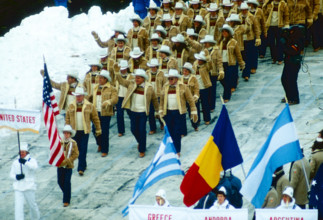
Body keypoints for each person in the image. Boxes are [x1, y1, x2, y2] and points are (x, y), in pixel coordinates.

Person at [115, 69, 159, 158]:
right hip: (133, 111)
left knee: (142, 130)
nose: (136, 79)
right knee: (133, 129)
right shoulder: (131, 84)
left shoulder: (149, 87)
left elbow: (154, 99)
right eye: (136, 77)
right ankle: (140, 142)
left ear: (143, 79)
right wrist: (116, 72)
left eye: (138, 78)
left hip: (143, 112)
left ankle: (142, 149)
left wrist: (157, 111)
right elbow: (121, 81)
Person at [159, 69, 198, 155]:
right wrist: (161, 110)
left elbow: (190, 100)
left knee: (177, 132)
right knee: (169, 132)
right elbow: (162, 100)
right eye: (169, 79)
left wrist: (194, 111)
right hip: (168, 112)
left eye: (171, 79)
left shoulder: (183, 87)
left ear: (176, 79)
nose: (170, 80)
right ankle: (170, 148)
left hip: (179, 113)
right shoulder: (165, 87)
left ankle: (177, 150)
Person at [65, 86, 102, 176]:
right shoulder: (71, 105)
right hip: (74, 131)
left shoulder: (89, 105)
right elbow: (67, 118)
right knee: (76, 150)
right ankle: (83, 164)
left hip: (85, 131)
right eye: (77, 96)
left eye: (80, 96)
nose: (78, 97)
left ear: (83, 96)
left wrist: (98, 128)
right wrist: (67, 130)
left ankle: (80, 168)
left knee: (83, 149)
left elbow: (95, 118)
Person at [91, 70, 118, 157]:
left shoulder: (112, 88)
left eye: (102, 78)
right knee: (94, 129)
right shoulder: (95, 87)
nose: (99, 79)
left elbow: (115, 99)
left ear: (106, 79)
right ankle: (100, 143)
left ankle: (105, 149)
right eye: (99, 77)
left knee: (104, 131)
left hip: (106, 113)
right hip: (96, 112)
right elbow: (90, 97)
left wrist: (109, 102)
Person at [10, 143, 40, 220]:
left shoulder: (32, 160)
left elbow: (35, 168)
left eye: (23, 152)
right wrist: (17, 177)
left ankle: (35, 218)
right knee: (18, 206)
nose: (22, 153)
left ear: (27, 152)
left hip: (29, 186)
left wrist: (25, 162)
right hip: (18, 187)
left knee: (32, 205)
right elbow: (11, 175)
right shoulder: (15, 162)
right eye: (21, 152)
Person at [219, 24, 245, 102]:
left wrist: (241, 63)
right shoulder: (221, 42)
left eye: (225, 32)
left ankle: (226, 96)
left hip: (230, 63)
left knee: (227, 80)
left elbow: (238, 54)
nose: (224, 33)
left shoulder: (234, 42)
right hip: (222, 63)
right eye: (223, 32)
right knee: (221, 79)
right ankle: (228, 89)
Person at [280, 25, 305, 105]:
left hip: (294, 62)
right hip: (288, 62)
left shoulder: (299, 41)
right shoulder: (291, 39)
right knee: (284, 79)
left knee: (291, 80)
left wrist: (284, 45)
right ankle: (288, 96)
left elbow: (291, 51)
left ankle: (294, 98)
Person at [57, 125, 79, 207]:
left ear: (70, 134)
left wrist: (68, 161)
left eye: (67, 133)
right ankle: (67, 193)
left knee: (67, 182)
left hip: (68, 166)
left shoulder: (73, 143)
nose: (66, 134)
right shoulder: (60, 142)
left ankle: (66, 200)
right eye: (65, 133)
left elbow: (76, 154)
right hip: (60, 165)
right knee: (60, 181)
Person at [262, 0, 289, 65]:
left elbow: (286, 15)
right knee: (271, 43)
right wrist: (265, 25)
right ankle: (273, 58)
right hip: (270, 26)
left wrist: (286, 25)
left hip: (280, 26)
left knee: (280, 43)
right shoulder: (269, 4)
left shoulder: (283, 4)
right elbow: (265, 15)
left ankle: (280, 58)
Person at [239, 2, 261, 79]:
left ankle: (246, 74)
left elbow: (256, 28)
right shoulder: (238, 17)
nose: (244, 11)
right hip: (241, 39)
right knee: (243, 56)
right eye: (242, 10)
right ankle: (245, 70)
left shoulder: (252, 17)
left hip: (250, 38)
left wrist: (258, 37)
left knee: (249, 56)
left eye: (245, 10)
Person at [146, 58, 167, 134]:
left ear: (157, 67)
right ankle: (152, 128)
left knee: (160, 111)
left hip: (159, 95)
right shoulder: (147, 73)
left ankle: (162, 123)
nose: (153, 68)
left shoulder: (162, 73)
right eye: (152, 67)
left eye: (154, 66)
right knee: (151, 112)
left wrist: (163, 93)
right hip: (150, 95)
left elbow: (165, 84)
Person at [114, 60, 133, 137]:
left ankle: (134, 128)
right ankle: (121, 130)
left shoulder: (131, 76)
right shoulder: (117, 76)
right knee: (119, 114)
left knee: (131, 113)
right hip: (119, 96)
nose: (123, 70)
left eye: (124, 68)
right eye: (122, 68)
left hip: (127, 97)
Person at [192, 51, 212, 125]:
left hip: (204, 87)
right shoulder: (194, 64)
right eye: (198, 59)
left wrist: (208, 58)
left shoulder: (206, 65)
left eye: (201, 60)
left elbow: (211, 66)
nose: (199, 61)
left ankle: (207, 119)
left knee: (205, 104)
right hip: (196, 88)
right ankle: (197, 120)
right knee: (196, 105)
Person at [180, 62, 199, 132]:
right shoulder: (180, 78)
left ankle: (195, 125)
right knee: (182, 116)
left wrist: (196, 96)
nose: (184, 72)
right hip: (183, 100)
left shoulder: (193, 78)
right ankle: (183, 130)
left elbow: (196, 88)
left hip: (191, 99)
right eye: (184, 70)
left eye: (186, 71)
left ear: (189, 71)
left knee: (192, 113)